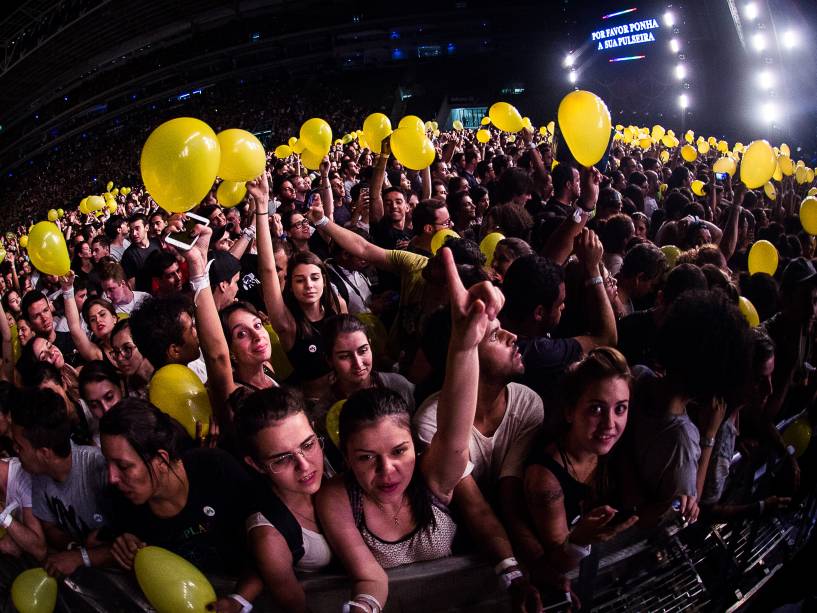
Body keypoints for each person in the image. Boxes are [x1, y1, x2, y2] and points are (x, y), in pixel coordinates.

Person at [316, 247, 504, 610]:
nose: (388, 471)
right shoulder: (337, 498)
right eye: (367, 458)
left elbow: (453, 429)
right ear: (347, 460)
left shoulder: (433, 478)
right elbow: (370, 577)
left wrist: (464, 346)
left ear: (415, 446)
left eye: (399, 451)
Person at [100, 398, 262, 610]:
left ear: (160, 460)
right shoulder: (121, 501)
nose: (112, 477)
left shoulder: (215, 468)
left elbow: (268, 540)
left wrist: (240, 600)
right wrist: (126, 550)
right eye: (108, 463)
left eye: (123, 466)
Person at [523, 348, 637, 576]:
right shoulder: (545, 478)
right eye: (596, 409)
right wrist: (579, 541)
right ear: (569, 412)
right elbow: (556, 565)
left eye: (620, 409)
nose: (610, 423)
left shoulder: (615, 450)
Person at [236, 386, 333, 613]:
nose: (305, 466)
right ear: (256, 465)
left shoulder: (338, 466)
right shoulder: (270, 538)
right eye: (281, 460)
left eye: (308, 445)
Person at [11, 387, 112, 576]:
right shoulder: (39, 476)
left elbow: (131, 543)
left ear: (44, 453)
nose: (15, 452)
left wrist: (80, 557)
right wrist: (72, 545)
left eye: (20, 447)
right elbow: (49, 526)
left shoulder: (99, 469)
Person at [21, 290, 80, 366]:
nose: (44, 318)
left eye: (45, 310)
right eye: (36, 316)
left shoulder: (71, 339)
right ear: (28, 323)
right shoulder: (29, 359)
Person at [110, 319, 153, 397]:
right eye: (116, 352)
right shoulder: (123, 388)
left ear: (143, 344)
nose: (119, 358)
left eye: (127, 349)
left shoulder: (167, 373)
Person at [120, 213, 160, 292]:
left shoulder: (157, 243)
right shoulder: (128, 255)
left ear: (147, 227)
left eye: (137, 228)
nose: (134, 233)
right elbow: (132, 285)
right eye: (131, 230)